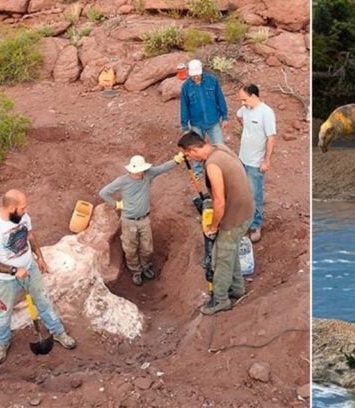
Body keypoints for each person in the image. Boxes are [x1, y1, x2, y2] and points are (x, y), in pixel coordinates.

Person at [0, 189, 77, 366]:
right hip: (6, 280)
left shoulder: (22, 217)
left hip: (30, 269)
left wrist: (39, 257)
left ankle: (58, 332)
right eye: (22, 208)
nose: (26, 211)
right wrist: (13, 271)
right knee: (3, 313)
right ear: (11, 208)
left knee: (43, 301)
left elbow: (30, 236)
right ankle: (2, 343)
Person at [177, 132, 254, 315]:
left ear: (194, 150)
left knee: (221, 257)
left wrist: (213, 226)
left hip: (234, 216)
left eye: (188, 155)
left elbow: (219, 202)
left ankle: (220, 300)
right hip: (245, 211)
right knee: (231, 249)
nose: (189, 159)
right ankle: (237, 288)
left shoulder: (212, 165)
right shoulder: (220, 148)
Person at [99, 153, 184, 285]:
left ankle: (146, 266)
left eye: (141, 170)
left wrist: (176, 160)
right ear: (132, 170)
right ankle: (136, 271)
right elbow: (104, 192)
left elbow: (162, 168)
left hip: (144, 219)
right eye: (137, 171)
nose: (140, 173)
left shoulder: (148, 174)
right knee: (130, 249)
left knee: (147, 248)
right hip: (128, 220)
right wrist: (116, 204)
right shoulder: (122, 181)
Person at [236, 84, 277, 243]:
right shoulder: (245, 109)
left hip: (255, 162)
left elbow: (271, 138)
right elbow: (238, 116)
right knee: (243, 192)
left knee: (255, 194)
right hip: (242, 158)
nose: (242, 103)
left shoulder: (266, 113)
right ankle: (244, 221)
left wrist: (266, 161)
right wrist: (246, 129)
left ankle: (255, 225)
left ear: (253, 96)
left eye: (244, 100)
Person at [179, 59, 229, 176]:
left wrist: (225, 117)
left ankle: (222, 166)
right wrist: (185, 127)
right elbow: (184, 107)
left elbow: (220, 99)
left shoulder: (212, 81)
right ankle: (198, 170)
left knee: (219, 145)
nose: (196, 77)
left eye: (197, 75)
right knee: (195, 148)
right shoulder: (186, 87)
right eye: (193, 75)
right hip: (196, 123)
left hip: (213, 121)